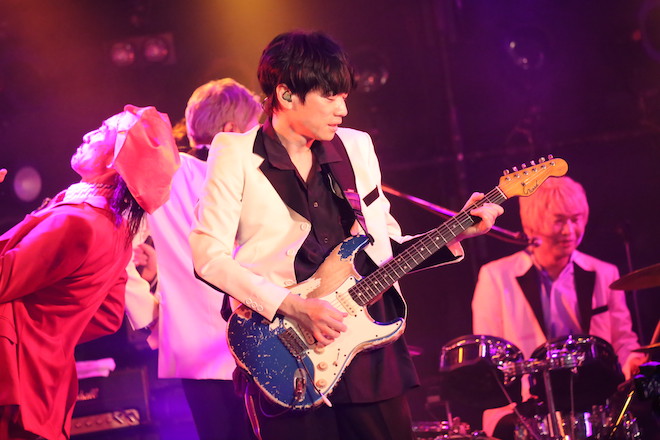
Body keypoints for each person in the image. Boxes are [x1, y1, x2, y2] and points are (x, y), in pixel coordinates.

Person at [189, 30, 504, 440]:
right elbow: (208, 256)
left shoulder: (356, 147)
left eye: (343, 96)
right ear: (286, 95)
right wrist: (292, 307)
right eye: (330, 97)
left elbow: (384, 248)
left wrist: (456, 231)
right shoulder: (236, 153)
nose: (343, 108)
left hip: (368, 348)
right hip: (286, 348)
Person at [0, 105, 179, 440]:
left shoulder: (78, 222)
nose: (88, 135)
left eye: (102, 132)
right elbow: (109, 315)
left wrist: (31, 329)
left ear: (114, 161)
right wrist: (53, 332)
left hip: (13, 375)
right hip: (39, 380)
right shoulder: (112, 228)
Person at [124, 78, 263, 440]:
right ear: (231, 131)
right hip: (254, 348)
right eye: (255, 127)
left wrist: (149, 315)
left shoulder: (168, 174)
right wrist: (149, 313)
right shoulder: (188, 174)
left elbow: (117, 246)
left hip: (201, 351)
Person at [471, 175, 647, 438]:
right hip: (525, 408)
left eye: (576, 219)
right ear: (533, 223)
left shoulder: (605, 273)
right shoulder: (495, 276)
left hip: (594, 403)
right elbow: (490, 357)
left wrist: (633, 360)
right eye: (559, 221)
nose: (569, 231)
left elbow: (622, 341)